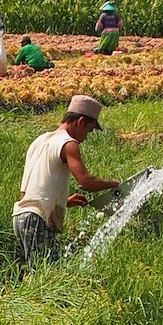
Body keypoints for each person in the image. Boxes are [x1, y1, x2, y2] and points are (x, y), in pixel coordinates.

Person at [12, 94, 118, 261]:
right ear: (81, 121)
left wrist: (63, 201)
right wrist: (116, 184)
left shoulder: (39, 141)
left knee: (40, 270)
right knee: (44, 277)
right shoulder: (68, 143)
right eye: (88, 131)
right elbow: (85, 181)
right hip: (37, 220)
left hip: (21, 217)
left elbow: (30, 192)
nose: (85, 137)